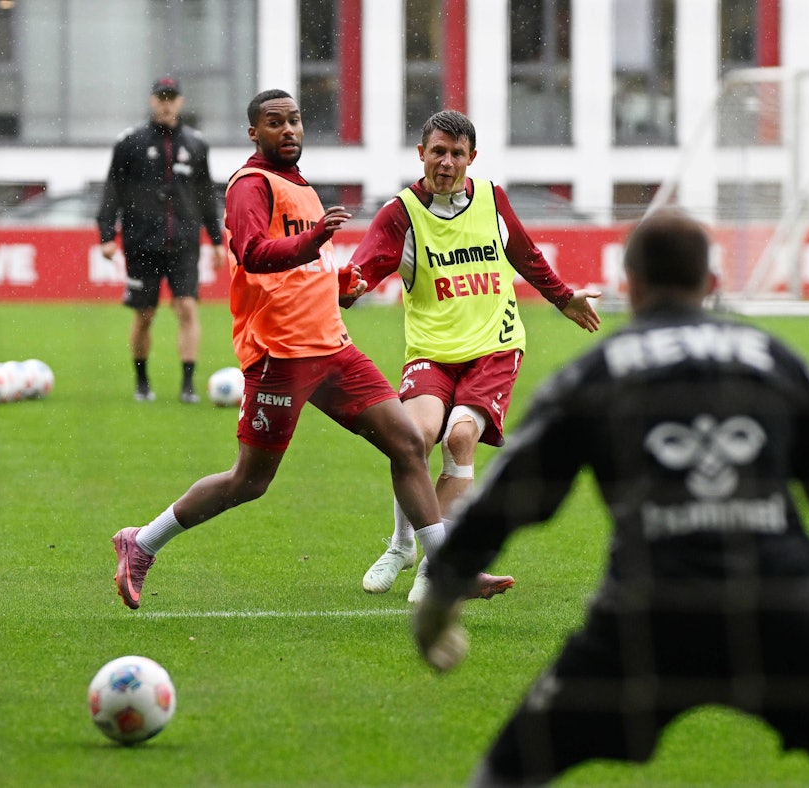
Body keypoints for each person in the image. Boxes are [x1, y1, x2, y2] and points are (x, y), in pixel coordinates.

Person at [414, 208, 809, 785]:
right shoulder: (783, 365)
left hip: (643, 623)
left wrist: (437, 613)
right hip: (784, 620)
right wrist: (794, 587)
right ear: (711, 287)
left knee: (506, 773)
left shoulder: (595, 374)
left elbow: (501, 505)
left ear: (629, 288)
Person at [110, 89, 512, 610]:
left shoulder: (300, 186)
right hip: (281, 355)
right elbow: (254, 254)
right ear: (254, 133)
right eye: (274, 123)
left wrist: (343, 277)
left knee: (409, 443)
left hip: (333, 347)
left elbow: (308, 266)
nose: (289, 130)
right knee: (249, 481)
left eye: (295, 120)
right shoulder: (250, 185)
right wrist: (314, 240)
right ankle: (141, 542)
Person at [345, 109, 601, 603]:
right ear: (421, 154)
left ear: (472, 158)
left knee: (460, 437)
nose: (446, 162)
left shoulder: (491, 199)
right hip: (431, 354)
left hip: (494, 349)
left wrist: (562, 296)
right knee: (414, 437)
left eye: (456, 153)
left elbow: (524, 254)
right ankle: (402, 546)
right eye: (437, 151)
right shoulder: (401, 213)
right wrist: (345, 288)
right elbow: (363, 269)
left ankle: (431, 568)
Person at [97, 76, 227, 403]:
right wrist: (106, 235)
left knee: (186, 308)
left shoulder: (196, 144)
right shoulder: (130, 143)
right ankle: (142, 381)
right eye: (161, 97)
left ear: (180, 101)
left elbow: (205, 195)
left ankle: (187, 385)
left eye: (171, 97)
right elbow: (113, 189)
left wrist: (216, 239)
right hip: (142, 243)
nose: (166, 103)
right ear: (153, 100)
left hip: (184, 242)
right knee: (145, 314)